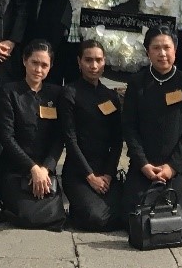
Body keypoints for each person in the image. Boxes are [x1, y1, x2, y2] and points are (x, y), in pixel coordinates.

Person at [120, 27, 182, 215]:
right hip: (145, 166)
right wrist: (143, 164)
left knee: (181, 211)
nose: (162, 53)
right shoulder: (137, 83)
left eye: (167, 47)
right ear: (148, 51)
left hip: (177, 168)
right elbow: (129, 127)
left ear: (175, 50)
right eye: (156, 48)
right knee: (134, 212)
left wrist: (172, 167)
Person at [0, 40, 65, 226]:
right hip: (16, 168)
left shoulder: (56, 94)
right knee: (27, 217)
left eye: (44, 65)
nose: (38, 69)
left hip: (45, 171)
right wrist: (32, 168)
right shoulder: (10, 92)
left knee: (53, 214)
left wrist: (46, 168)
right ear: (24, 61)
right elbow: (7, 137)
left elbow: (59, 137)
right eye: (35, 62)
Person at [60, 39, 124, 231]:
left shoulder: (110, 96)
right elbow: (70, 140)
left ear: (105, 61)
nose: (94, 66)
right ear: (79, 62)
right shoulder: (69, 93)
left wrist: (108, 175)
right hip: (79, 172)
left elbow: (117, 140)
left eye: (98, 60)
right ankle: (78, 212)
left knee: (125, 214)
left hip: (105, 172)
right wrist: (90, 177)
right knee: (97, 219)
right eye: (88, 60)